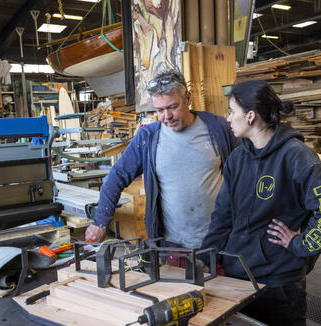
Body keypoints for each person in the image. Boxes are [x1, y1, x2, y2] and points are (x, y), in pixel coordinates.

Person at [201, 80, 321, 326]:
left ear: (250, 116)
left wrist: (300, 245)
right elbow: (223, 215)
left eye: (231, 111)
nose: (227, 119)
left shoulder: (296, 156)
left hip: (278, 282)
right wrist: (207, 256)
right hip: (237, 277)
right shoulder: (238, 158)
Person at [86, 71, 236, 250]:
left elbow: (248, 171)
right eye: (159, 110)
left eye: (172, 107)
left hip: (220, 240)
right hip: (172, 244)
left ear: (188, 98)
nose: (166, 116)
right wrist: (100, 222)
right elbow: (117, 176)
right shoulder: (148, 138)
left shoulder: (219, 129)